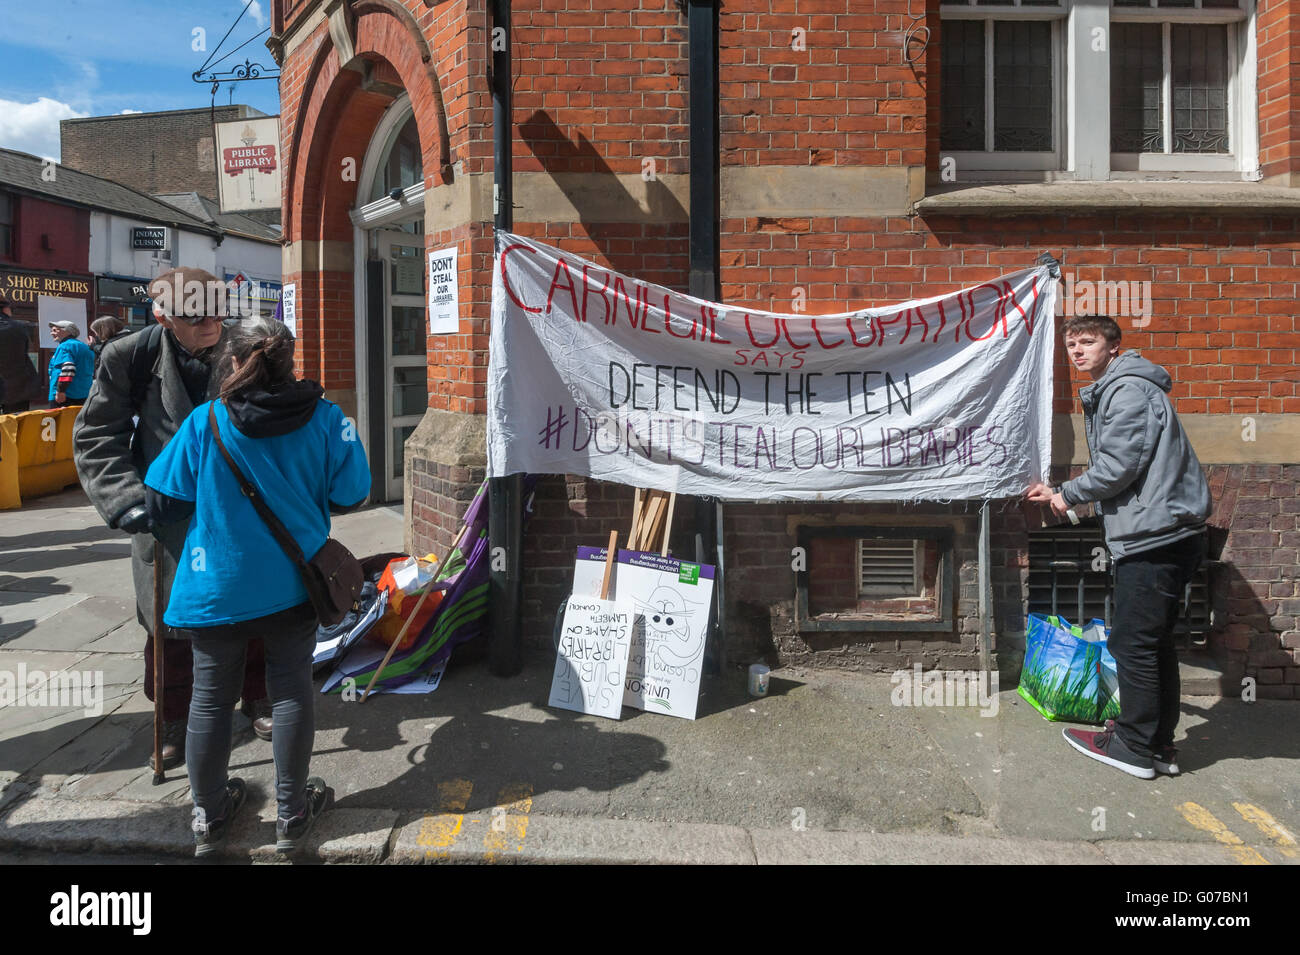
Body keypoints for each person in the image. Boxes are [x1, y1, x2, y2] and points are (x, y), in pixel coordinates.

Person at [144, 316, 369, 856]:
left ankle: (208, 815)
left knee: (209, 700)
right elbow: (353, 493)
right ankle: (291, 817)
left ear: (233, 357)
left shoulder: (206, 422)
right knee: (290, 690)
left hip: (215, 586)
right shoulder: (327, 417)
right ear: (290, 360)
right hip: (293, 586)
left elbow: (161, 501)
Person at [73, 267, 273, 771]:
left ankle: (256, 697)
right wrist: (125, 499)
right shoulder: (128, 356)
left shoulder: (248, 347)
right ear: (161, 315)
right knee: (168, 621)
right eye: (193, 314)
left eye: (215, 311)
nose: (209, 323)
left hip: (241, 504)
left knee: (251, 608)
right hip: (167, 515)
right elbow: (97, 435)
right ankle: (174, 715)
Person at [1027, 315, 1211, 780]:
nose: (1077, 351)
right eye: (1071, 344)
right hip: (1162, 533)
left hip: (1155, 540)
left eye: (1087, 342)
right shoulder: (1122, 388)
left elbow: (1117, 468)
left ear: (1114, 346)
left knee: (1132, 642)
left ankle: (1132, 744)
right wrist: (1068, 503)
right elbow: (1128, 481)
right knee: (1152, 643)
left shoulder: (1126, 390)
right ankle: (1158, 745)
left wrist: (1066, 494)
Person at [0, 291, 41, 414]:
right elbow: (24, 350)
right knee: (16, 428)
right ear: (5, 309)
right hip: (17, 389)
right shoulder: (18, 327)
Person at [47, 320, 95, 407]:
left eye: (55, 330)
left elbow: (68, 368)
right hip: (83, 394)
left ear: (67, 331)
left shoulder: (65, 345)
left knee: (61, 421)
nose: (51, 333)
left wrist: (61, 390)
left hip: (65, 396)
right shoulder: (86, 348)